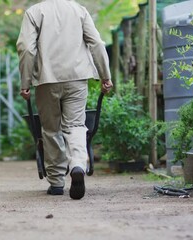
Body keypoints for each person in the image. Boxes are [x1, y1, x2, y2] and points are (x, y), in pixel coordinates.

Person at [16, 0, 113, 200]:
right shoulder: (79, 10)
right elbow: (96, 42)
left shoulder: (34, 12)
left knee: (51, 129)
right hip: (77, 77)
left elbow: (26, 48)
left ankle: (57, 182)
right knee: (76, 125)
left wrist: (25, 82)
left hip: (46, 79)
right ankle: (78, 164)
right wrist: (106, 75)